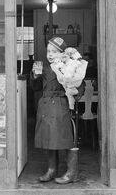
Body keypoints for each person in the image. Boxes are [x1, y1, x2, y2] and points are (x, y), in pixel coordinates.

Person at [30, 37, 85, 184]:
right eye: (48, 51)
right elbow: (35, 88)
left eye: (54, 51)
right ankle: (51, 170)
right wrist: (35, 76)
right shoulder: (45, 68)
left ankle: (72, 172)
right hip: (45, 106)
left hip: (60, 106)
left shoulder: (68, 67)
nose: (50, 54)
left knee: (65, 139)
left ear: (62, 53)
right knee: (48, 139)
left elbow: (79, 86)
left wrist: (73, 91)